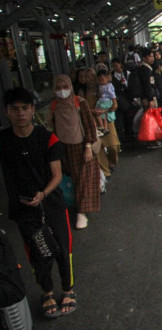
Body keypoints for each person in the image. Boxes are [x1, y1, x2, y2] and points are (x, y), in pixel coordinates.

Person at [0, 87, 77, 318]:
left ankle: (68, 289)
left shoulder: (48, 139)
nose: (20, 113)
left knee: (63, 249)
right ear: (7, 112)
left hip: (51, 204)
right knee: (36, 253)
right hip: (23, 209)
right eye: (14, 109)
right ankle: (47, 292)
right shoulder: (2, 140)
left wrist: (42, 194)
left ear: (33, 110)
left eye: (25, 108)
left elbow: (57, 175)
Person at [49, 74, 101, 229]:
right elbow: (53, 128)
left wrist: (88, 146)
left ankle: (81, 212)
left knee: (85, 178)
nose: (62, 91)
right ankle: (80, 207)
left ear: (71, 87)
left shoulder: (80, 102)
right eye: (58, 88)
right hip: (64, 148)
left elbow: (88, 125)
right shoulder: (54, 106)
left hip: (83, 146)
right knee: (75, 179)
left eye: (65, 87)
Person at [82, 68, 121, 177]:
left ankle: (112, 161)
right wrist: (93, 111)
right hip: (93, 120)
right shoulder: (83, 91)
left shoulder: (104, 88)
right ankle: (105, 171)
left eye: (91, 76)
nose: (89, 79)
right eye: (86, 76)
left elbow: (115, 105)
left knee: (113, 146)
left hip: (106, 119)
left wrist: (105, 110)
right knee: (98, 148)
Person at [139, 48, 162, 149]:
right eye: (150, 56)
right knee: (151, 120)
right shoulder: (145, 70)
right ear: (145, 58)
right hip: (149, 98)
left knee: (151, 119)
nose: (152, 58)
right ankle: (152, 140)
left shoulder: (146, 68)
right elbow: (147, 86)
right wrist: (150, 99)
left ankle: (153, 139)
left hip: (150, 97)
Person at [95, 70, 118, 136]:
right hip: (102, 100)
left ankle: (102, 127)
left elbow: (112, 95)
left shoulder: (109, 86)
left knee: (99, 112)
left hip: (106, 101)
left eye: (102, 80)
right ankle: (104, 128)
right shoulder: (100, 86)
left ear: (107, 78)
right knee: (103, 116)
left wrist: (114, 102)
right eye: (99, 80)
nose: (100, 82)